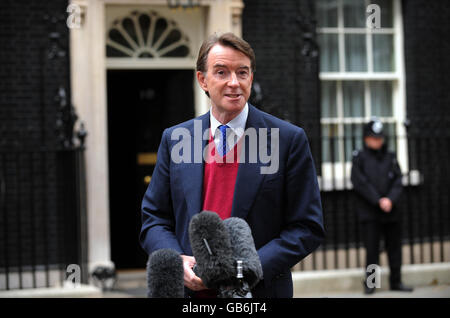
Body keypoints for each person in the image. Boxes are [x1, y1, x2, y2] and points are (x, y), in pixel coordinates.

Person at [139, 32, 325, 298]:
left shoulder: (287, 139)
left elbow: (306, 227)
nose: (234, 83)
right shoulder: (176, 139)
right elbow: (154, 218)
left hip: (257, 294)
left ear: (251, 77)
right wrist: (177, 260)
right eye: (222, 72)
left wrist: (243, 271)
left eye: (242, 72)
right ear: (202, 79)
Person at [351, 118, 413, 294]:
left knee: (394, 248)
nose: (378, 141)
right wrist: (378, 200)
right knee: (372, 250)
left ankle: (396, 282)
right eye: (374, 138)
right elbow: (360, 182)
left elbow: (398, 180)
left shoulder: (390, 156)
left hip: (391, 211)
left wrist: (390, 200)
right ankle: (371, 284)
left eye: (380, 137)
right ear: (366, 139)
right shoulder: (359, 158)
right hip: (370, 212)